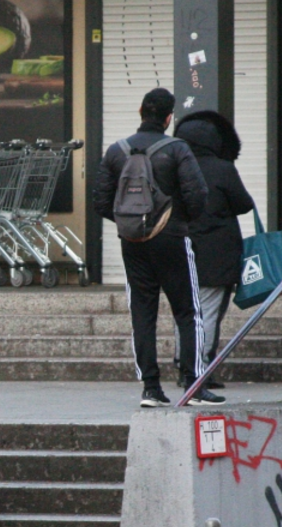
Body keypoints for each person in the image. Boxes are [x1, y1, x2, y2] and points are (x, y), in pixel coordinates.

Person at [94, 87, 222, 407]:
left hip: (132, 242)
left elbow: (100, 201)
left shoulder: (115, 151)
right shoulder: (177, 149)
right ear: (168, 118)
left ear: (140, 111)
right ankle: (193, 386)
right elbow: (198, 195)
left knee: (142, 312)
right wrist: (178, 222)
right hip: (172, 238)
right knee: (188, 312)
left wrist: (132, 223)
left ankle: (151, 389)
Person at [173, 110, 255, 390]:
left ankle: (183, 364)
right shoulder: (222, 168)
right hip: (215, 254)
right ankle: (198, 369)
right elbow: (244, 204)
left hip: (176, 250)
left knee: (184, 312)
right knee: (207, 312)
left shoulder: (171, 165)